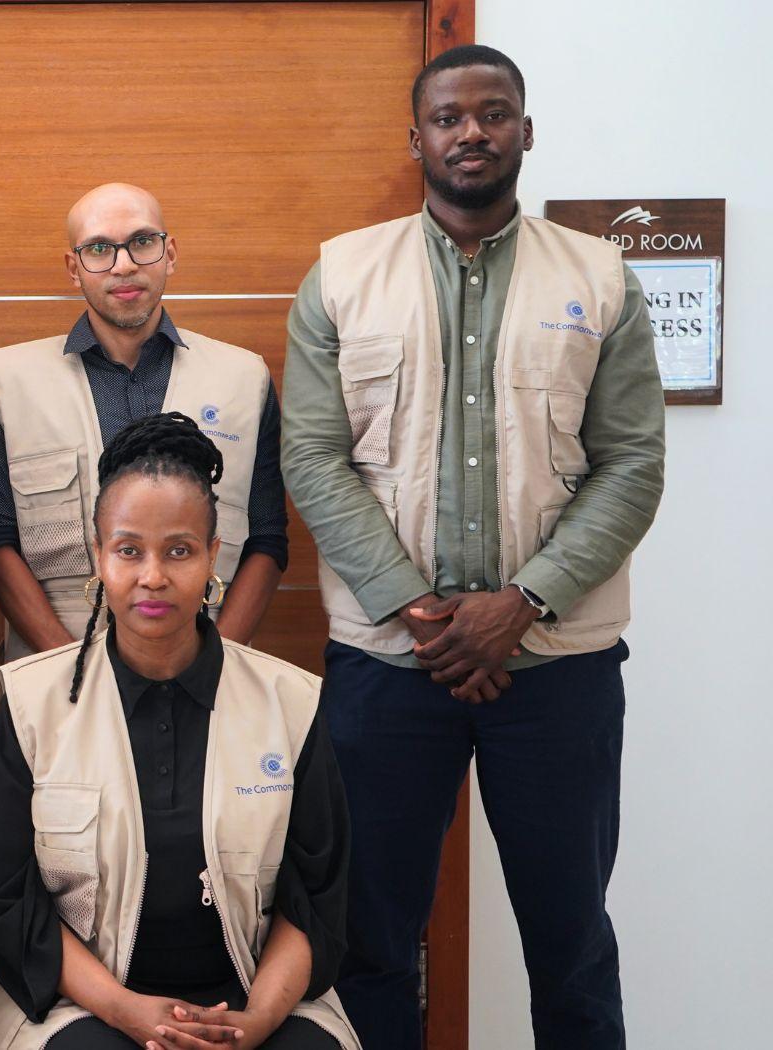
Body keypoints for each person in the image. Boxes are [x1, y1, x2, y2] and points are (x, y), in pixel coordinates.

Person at [281, 45, 665, 1050]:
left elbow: (630, 465)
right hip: (384, 665)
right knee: (367, 941)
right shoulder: (340, 275)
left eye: (492, 114)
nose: (470, 133)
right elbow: (314, 458)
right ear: (416, 139)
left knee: (571, 944)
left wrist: (519, 606)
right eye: (448, 118)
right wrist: (421, 610)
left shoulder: (599, 275)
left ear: (524, 132)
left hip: (556, 666)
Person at [0, 412, 359, 1050]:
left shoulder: (290, 703)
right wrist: (126, 1011)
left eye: (179, 550)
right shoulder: (33, 701)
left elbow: (317, 899)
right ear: (98, 559)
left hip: (253, 996)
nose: (153, 576)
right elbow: (11, 902)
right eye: (129, 550)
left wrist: (255, 1020)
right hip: (87, 1004)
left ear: (212, 559)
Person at [0, 183, 288, 661]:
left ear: (169, 254)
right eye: (99, 249)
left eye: (142, 243)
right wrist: (69, 667)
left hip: (205, 663)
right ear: (73, 268)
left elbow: (268, 538)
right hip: (56, 670)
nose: (123, 265)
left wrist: (217, 661)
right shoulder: (7, 382)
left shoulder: (243, 377)